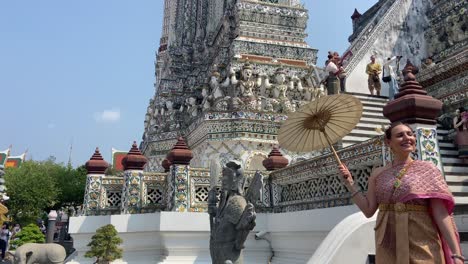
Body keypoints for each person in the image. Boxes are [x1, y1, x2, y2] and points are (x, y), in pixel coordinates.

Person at [339, 122, 464, 263]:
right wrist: (350, 184)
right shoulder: (377, 174)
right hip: (388, 239)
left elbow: (440, 212)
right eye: (399, 135)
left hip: (421, 237)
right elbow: (369, 210)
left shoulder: (427, 169)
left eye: (409, 134)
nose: (407, 138)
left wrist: (456, 253)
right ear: (388, 142)